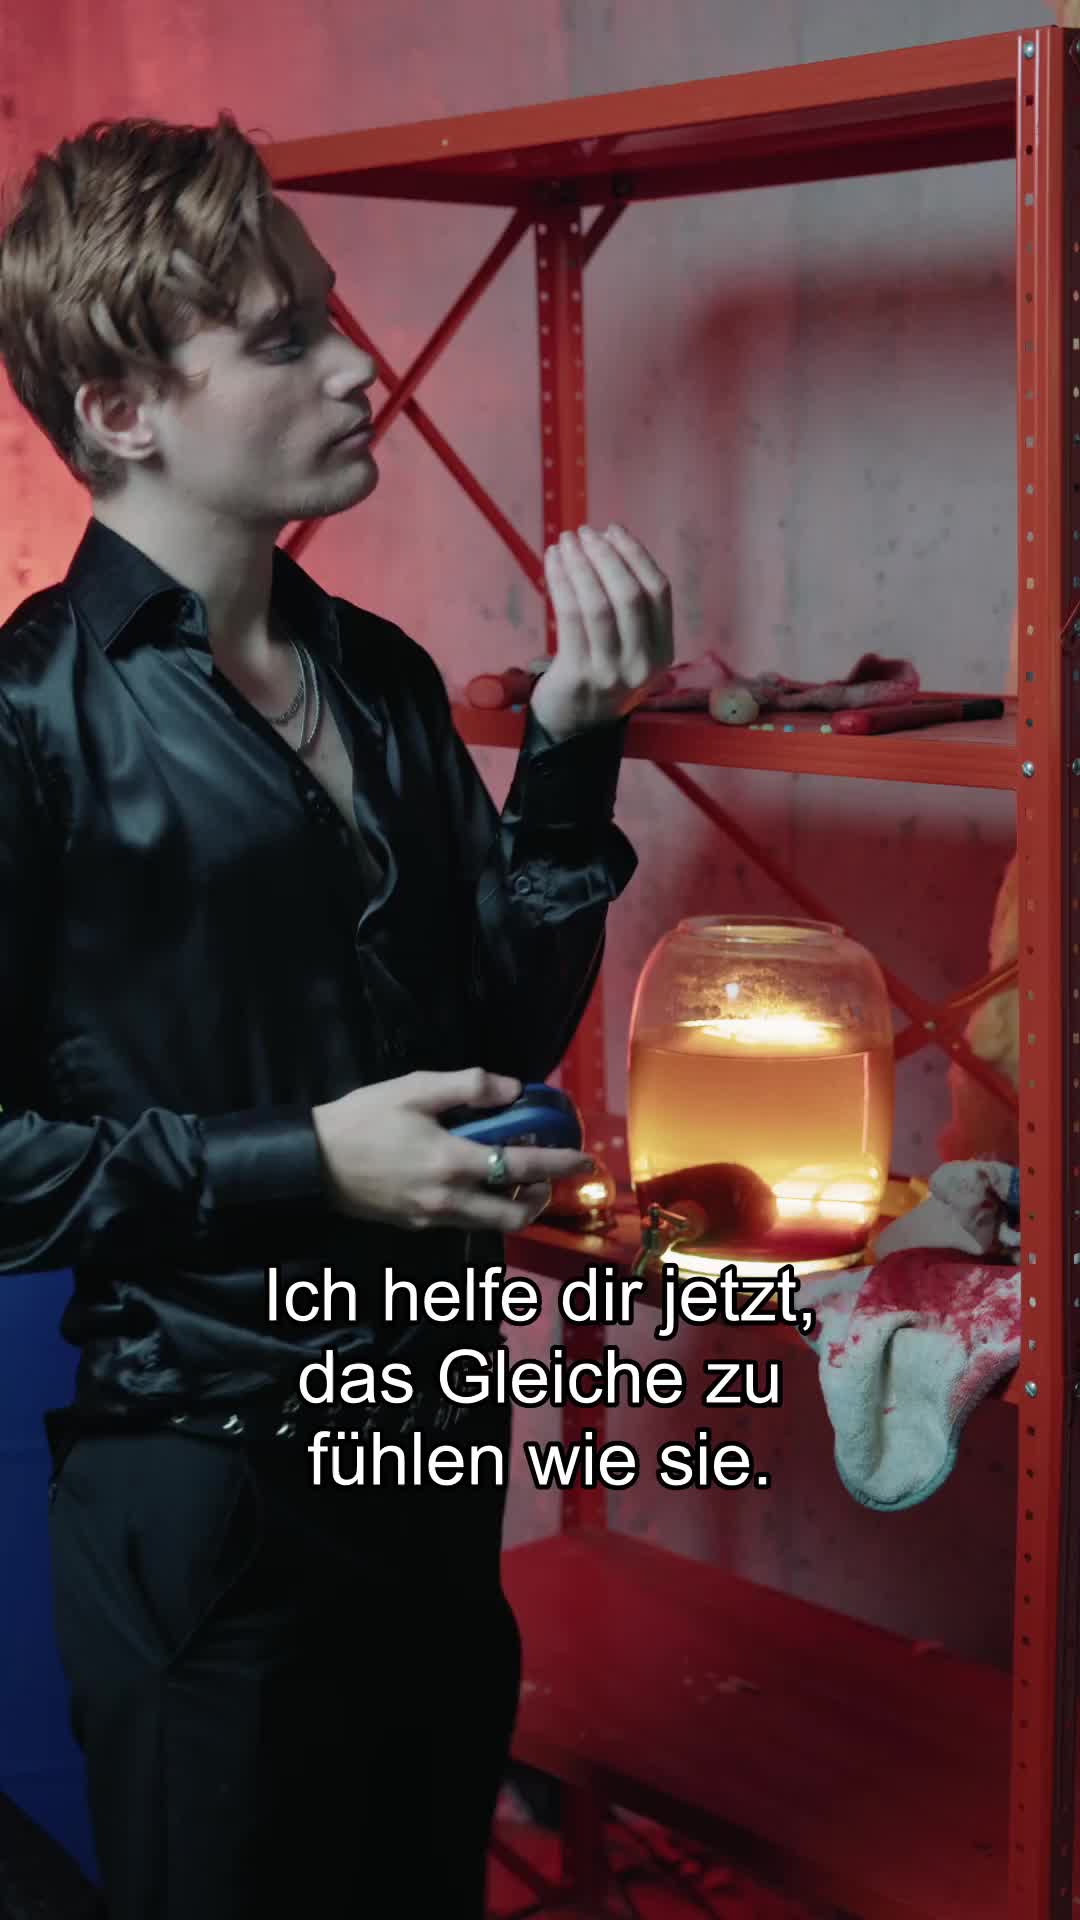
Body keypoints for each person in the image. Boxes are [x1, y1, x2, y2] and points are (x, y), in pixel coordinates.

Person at [0, 110, 673, 1918]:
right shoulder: (27, 720)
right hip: (206, 1498)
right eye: (285, 337)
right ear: (122, 409)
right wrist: (307, 1160)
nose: (356, 366)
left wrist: (571, 749)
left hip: (428, 1449)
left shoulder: (376, 674)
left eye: (333, 315)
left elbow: (499, 1031)